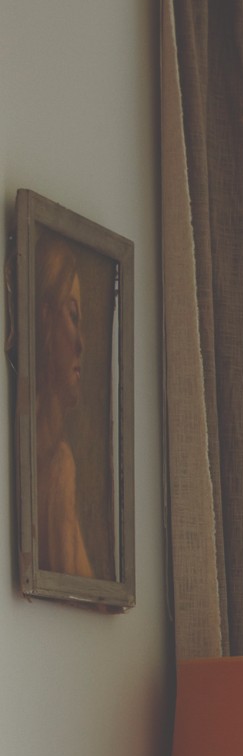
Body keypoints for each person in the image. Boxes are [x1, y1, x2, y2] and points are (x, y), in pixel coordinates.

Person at [34, 231, 96, 579]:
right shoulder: (58, 467)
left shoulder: (59, 463)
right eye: (73, 316)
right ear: (45, 317)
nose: (81, 343)